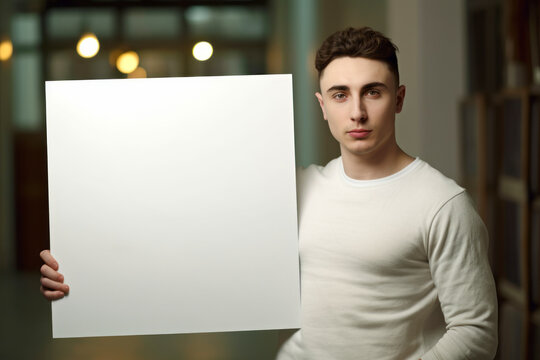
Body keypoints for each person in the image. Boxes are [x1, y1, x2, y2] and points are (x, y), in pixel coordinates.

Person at [40, 27, 498, 359]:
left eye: (371, 92)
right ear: (322, 105)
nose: (356, 111)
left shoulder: (443, 204)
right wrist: (80, 279)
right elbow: (180, 233)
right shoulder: (297, 188)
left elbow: (476, 331)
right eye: (340, 94)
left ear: (397, 98)